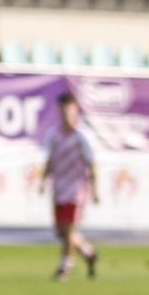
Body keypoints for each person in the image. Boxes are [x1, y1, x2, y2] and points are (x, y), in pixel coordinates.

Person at [38, 91, 99, 280]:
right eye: (63, 111)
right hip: (59, 187)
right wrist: (43, 180)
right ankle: (88, 253)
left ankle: (65, 267)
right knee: (61, 232)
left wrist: (95, 189)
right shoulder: (54, 134)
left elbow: (91, 163)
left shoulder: (83, 136)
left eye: (69, 111)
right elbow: (50, 160)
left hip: (76, 188)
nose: (66, 115)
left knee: (70, 229)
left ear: (75, 111)